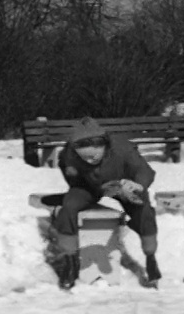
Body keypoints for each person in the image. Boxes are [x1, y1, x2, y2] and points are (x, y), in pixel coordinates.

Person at [47, 116, 161, 289]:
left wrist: (137, 185)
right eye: (84, 158)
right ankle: (70, 260)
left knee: (144, 211)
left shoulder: (123, 149)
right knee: (69, 206)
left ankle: (151, 258)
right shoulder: (69, 152)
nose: (89, 161)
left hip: (124, 186)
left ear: (104, 145)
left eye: (93, 157)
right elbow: (67, 168)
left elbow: (144, 170)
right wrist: (77, 180)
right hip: (89, 187)